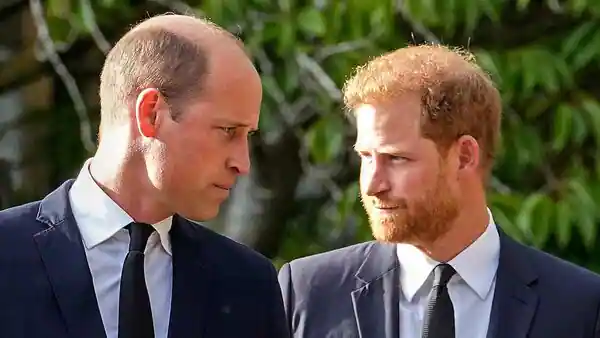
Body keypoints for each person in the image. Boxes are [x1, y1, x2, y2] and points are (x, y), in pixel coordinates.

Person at [278, 44, 600, 338]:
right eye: (365, 157)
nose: (372, 185)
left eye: (396, 158)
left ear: (464, 157)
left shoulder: (579, 306)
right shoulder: (309, 291)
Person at [0, 13, 289, 338]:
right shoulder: (7, 254)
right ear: (151, 113)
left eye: (247, 135)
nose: (243, 163)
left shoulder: (248, 284)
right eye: (227, 130)